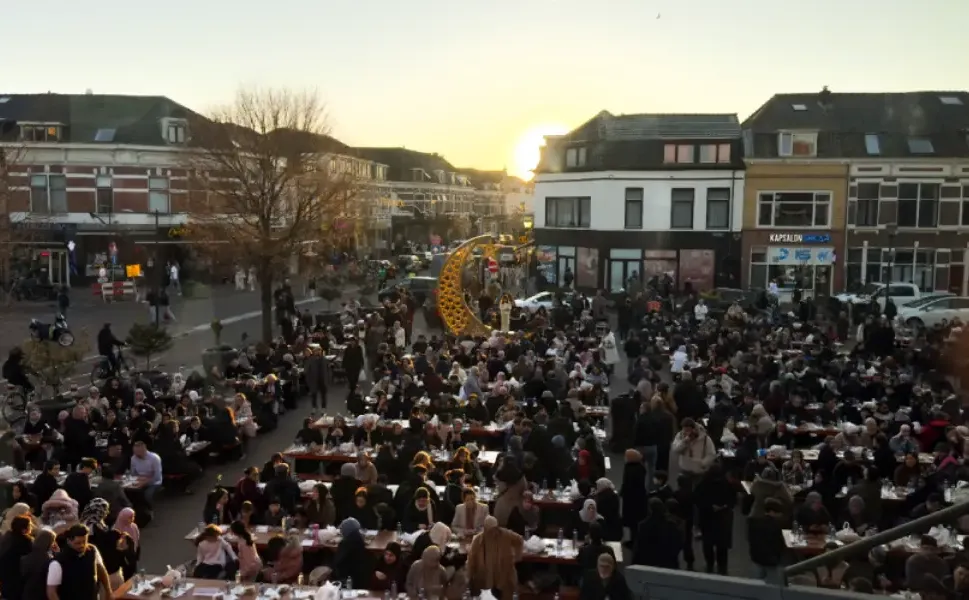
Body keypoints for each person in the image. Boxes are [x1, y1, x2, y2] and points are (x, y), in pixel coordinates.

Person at [46, 523, 113, 600]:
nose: (82, 545)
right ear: (68, 541)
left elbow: (101, 570)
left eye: (84, 542)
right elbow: (51, 592)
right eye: (78, 543)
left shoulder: (92, 551)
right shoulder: (58, 562)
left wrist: (108, 591)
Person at [467, 516, 523, 598]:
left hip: (504, 572)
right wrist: (470, 577)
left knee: (506, 594)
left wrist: (517, 556)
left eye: (495, 529)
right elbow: (471, 559)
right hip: (486, 575)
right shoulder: (478, 540)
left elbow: (519, 540)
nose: (493, 532)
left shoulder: (505, 534)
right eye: (490, 530)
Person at [632, 498, 682, 569]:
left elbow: (639, 545)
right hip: (667, 562)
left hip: (648, 562)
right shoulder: (671, 525)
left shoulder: (644, 525)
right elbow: (678, 543)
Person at [747, 497, 786, 582]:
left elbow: (750, 540)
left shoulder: (754, 522)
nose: (780, 515)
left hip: (756, 558)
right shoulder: (776, 525)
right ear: (772, 512)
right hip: (771, 560)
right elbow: (778, 544)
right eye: (778, 512)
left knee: (755, 584)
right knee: (772, 585)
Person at [0, 514, 34, 600]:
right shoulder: (25, 542)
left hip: (5, 577)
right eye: (29, 525)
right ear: (23, 529)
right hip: (17, 578)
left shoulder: (7, 537)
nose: (31, 527)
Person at [331, 517, 372, 585]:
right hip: (361, 578)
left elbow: (338, 562)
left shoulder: (345, 544)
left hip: (347, 579)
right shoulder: (360, 540)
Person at [128, 440, 164, 508]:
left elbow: (157, 477)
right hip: (140, 480)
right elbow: (133, 473)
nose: (136, 455)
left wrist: (145, 482)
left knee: (147, 495)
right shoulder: (133, 458)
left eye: (138, 452)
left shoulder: (154, 458)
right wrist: (137, 480)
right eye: (135, 452)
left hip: (154, 482)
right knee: (130, 492)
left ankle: (149, 510)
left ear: (144, 449)